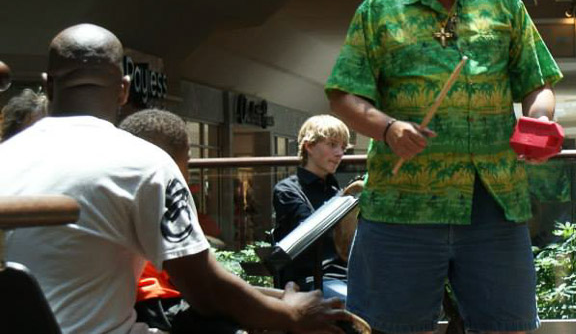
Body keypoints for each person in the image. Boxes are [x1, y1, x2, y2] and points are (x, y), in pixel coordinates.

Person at [0, 23, 348, 334]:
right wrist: (291, 313)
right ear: (123, 90)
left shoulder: (6, 155)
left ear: (48, 84)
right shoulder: (146, 164)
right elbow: (204, 290)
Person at [326, 0, 562, 334]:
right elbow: (344, 96)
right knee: (388, 328)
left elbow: (538, 82)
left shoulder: (502, 1)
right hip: (403, 206)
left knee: (508, 328)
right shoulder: (379, 9)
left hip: (494, 201)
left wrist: (539, 121)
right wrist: (388, 128)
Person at [121, 108, 242, 333]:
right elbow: (199, 281)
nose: (187, 172)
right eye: (187, 161)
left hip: (148, 298)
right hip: (156, 300)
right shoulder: (164, 190)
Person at [272, 114, 351, 300]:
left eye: (343, 147)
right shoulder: (287, 190)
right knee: (357, 303)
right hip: (311, 280)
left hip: (348, 276)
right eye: (332, 145)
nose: (340, 153)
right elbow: (308, 236)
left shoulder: (338, 192)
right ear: (309, 146)